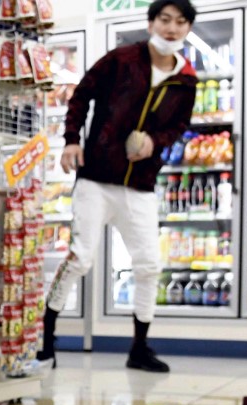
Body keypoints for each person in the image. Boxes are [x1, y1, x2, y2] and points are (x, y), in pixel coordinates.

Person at [39, 0, 198, 372]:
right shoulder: (121, 59)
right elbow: (81, 95)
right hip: (96, 177)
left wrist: (155, 142)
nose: (171, 28)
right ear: (151, 23)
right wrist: (71, 140)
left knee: (149, 266)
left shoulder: (186, 81)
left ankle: (139, 349)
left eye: (180, 22)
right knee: (80, 259)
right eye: (165, 19)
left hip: (140, 184)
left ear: (187, 29)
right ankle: (45, 339)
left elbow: (178, 127)